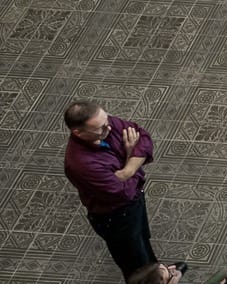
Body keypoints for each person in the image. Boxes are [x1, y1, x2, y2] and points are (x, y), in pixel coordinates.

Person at [63, 102, 157, 274]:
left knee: (142, 240)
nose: (109, 128)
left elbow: (143, 139)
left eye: (107, 120)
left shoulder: (104, 124)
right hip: (116, 216)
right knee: (135, 263)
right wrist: (131, 156)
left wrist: (127, 170)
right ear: (78, 132)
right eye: (100, 128)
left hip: (134, 201)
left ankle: (158, 276)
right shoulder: (82, 164)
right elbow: (123, 192)